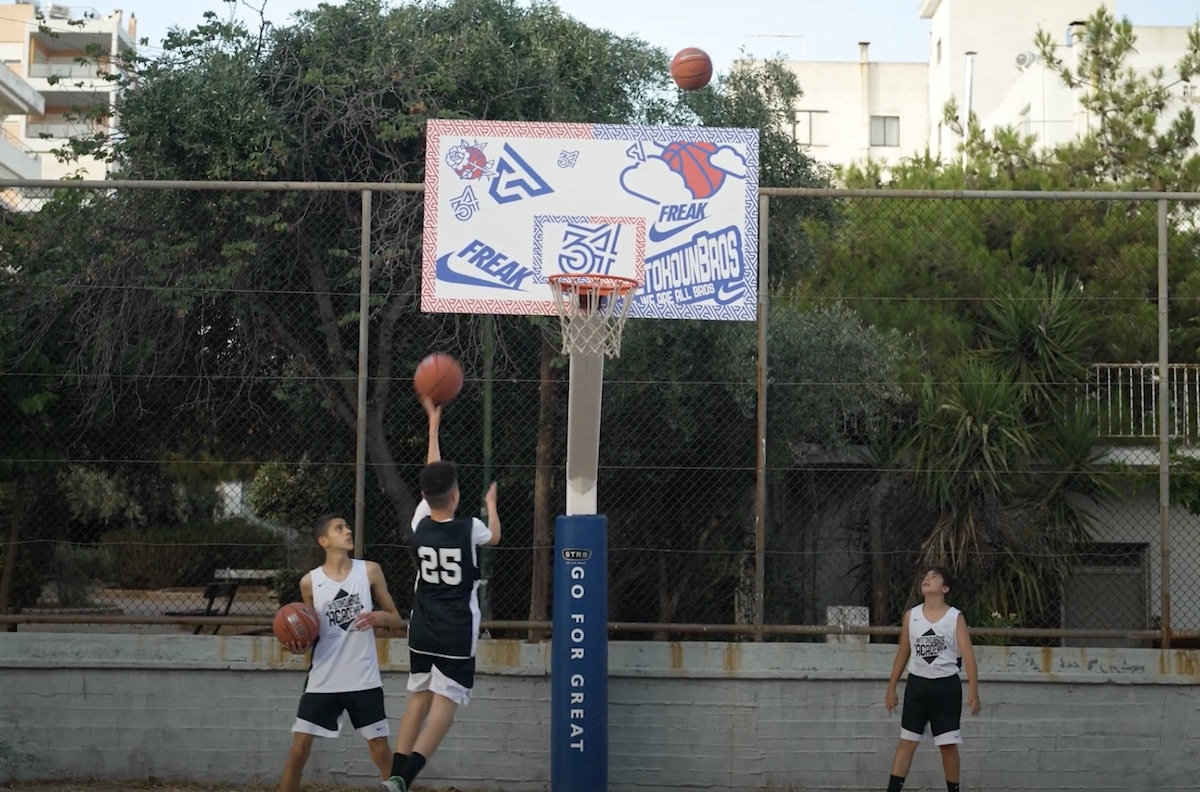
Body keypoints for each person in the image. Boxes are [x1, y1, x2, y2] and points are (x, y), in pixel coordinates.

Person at [382, 394, 501, 792]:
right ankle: (404, 779)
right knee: (444, 711)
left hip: (422, 626)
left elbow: (431, 472)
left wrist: (433, 425)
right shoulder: (470, 528)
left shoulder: (419, 522)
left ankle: (393, 776)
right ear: (455, 496)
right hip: (455, 630)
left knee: (417, 699)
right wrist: (491, 505)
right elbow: (496, 536)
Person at [279, 514, 403, 792]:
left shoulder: (369, 571)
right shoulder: (309, 582)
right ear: (324, 541)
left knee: (381, 751)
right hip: (324, 679)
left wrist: (379, 618)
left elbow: (396, 618)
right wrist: (297, 646)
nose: (348, 531)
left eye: (347, 527)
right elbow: (310, 632)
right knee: (298, 751)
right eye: (340, 528)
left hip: (363, 679)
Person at [883, 566, 981, 792]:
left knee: (947, 744)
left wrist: (973, 692)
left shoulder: (954, 617)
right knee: (906, 742)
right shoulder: (912, 615)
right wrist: (891, 688)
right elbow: (903, 652)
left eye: (934, 577)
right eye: (925, 577)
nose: (927, 579)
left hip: (945, 687)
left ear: (944, 588)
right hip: (917, 686)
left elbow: (968, 655)